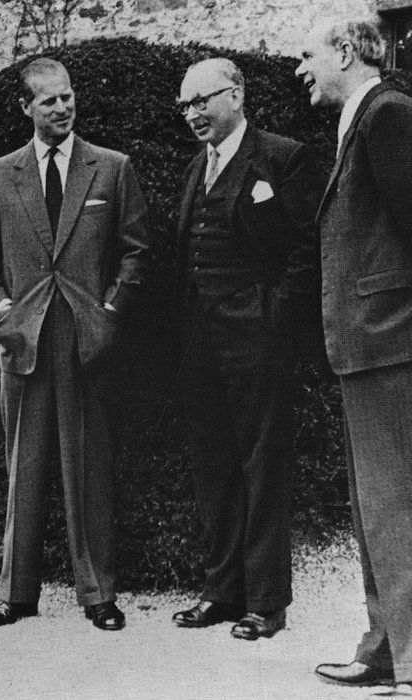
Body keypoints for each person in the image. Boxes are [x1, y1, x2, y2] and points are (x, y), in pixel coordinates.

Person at [0, 57, 151, 630]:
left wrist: (110, 312)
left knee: (87, 464)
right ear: (26, 108)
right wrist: (3, 311)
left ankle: (98, 594)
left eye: (67, 97)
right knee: (24, 465)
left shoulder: (112, 168)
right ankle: (17, 593)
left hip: (86, 339)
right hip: (23, 340)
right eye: (48, 100)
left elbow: (136, 251)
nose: (62, 107)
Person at [169, 58, 320, 641]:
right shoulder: (194, 168)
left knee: (263, 466)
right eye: (185, 106)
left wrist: (273, 318)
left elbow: (306, 250)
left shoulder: (282, 158)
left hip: (258, 342)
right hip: (202, 347)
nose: (192, 115)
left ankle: (266, 602)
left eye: (201, 101)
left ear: (234, 96)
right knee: (214, 466)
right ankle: (222, 591)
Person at [296, 18, 412, 697]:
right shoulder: (363, 119)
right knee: (376, 511)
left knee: (398, 508)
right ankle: (383, 648)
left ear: (345, 51)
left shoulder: (390, 114)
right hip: (365, 345)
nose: (299, 69)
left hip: (392, 342)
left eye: (307, 55)